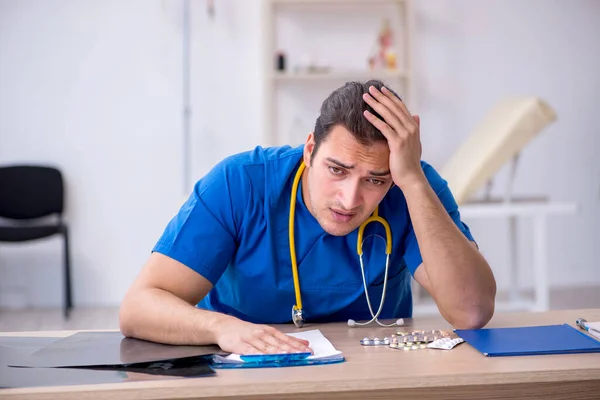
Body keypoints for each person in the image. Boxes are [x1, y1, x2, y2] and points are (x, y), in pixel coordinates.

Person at [119, 80, 497, 356]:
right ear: (310, 150)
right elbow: (139, 307)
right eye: (337, 170)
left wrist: (412, 181)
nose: (350, 199)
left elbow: (471, 311)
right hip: (240, 368)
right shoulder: (241, 183)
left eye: (375, 180)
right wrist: (221, 328)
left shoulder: (414, 185)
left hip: (371, 372)